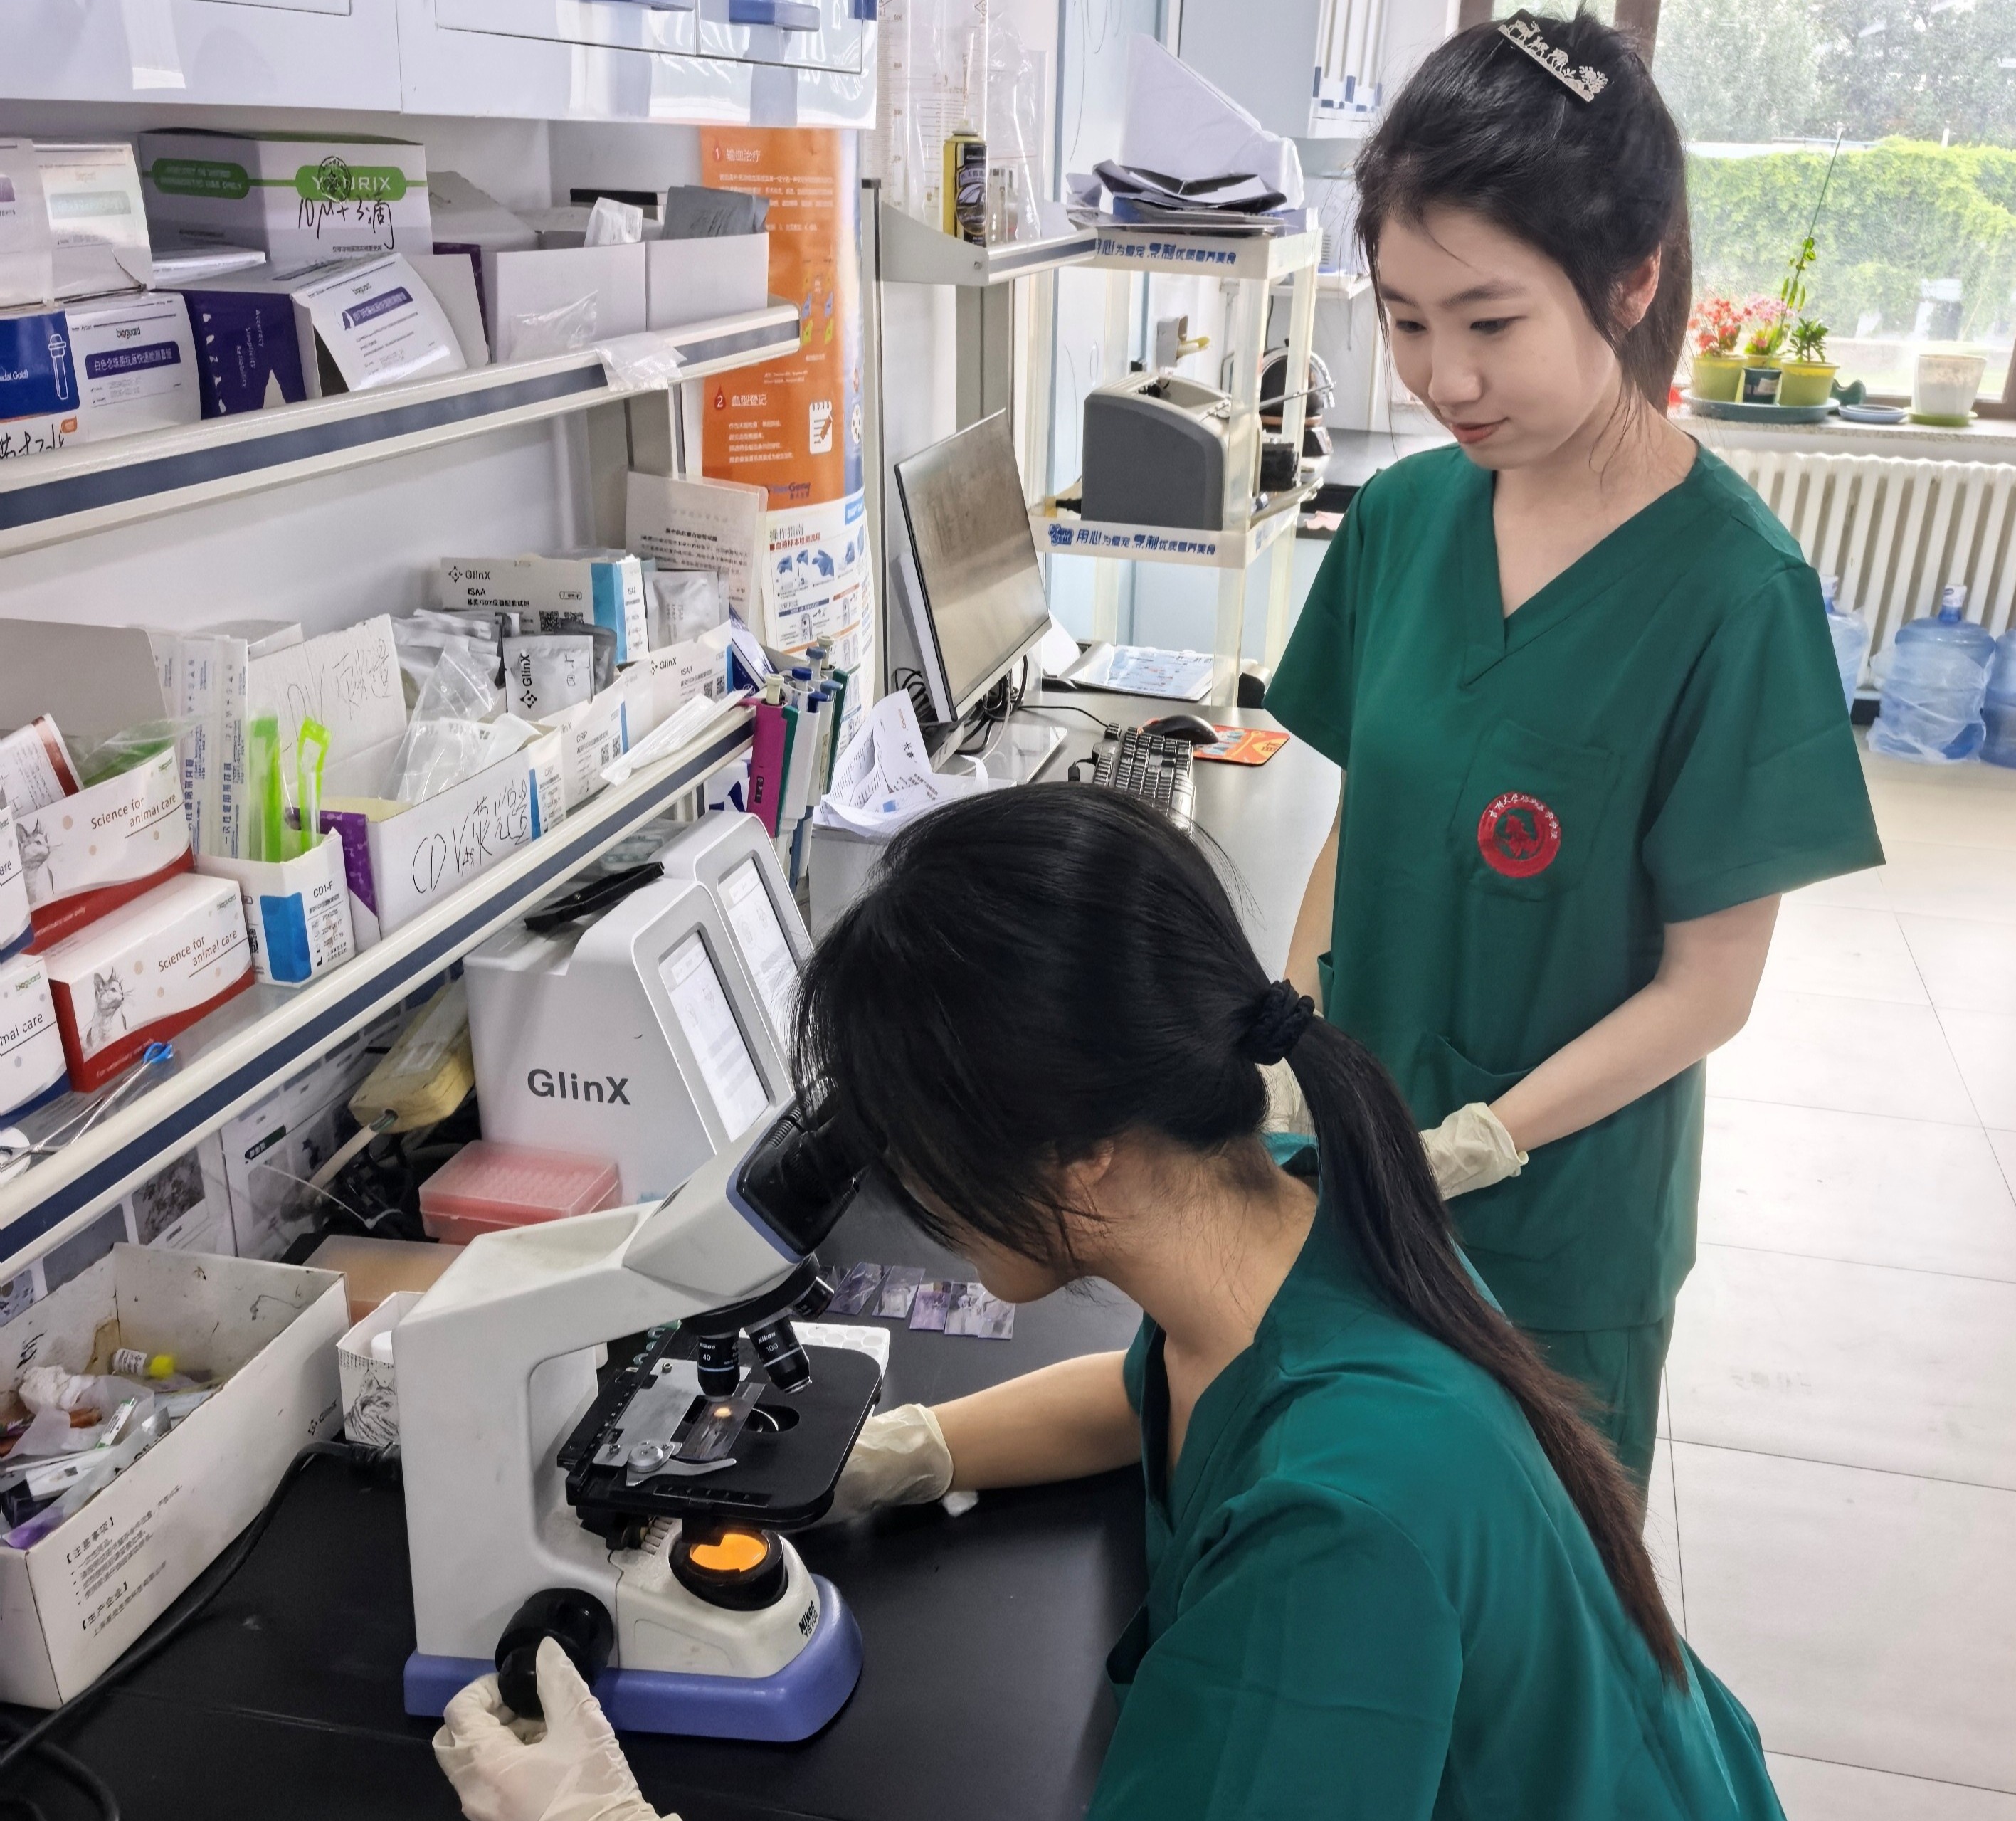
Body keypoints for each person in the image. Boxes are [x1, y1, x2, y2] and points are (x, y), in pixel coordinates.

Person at [436, 786, 1785, 1821]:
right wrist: (906, 1452)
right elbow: (1158, 1392)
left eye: (917, 1143)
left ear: (1083, 1156)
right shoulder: (1301, 1210)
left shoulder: (1338, 1533)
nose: (910, 1189)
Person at [1262, 8, 1883, 1487]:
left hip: (1560, 1227)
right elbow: (1362, 824)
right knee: (1343, 1534)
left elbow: (1709, 987)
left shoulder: (1732, 590)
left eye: (1491, 324)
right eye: (1405, 321)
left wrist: (1478, 1141)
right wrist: (1296, 1055)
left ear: (1631, 279)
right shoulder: (1404, 521)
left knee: (1535, 1572)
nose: (1444, 380)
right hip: (1352, 1177)